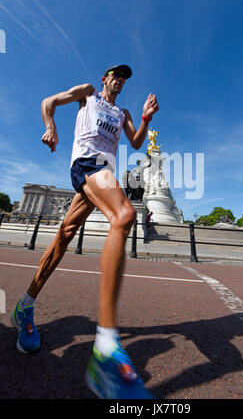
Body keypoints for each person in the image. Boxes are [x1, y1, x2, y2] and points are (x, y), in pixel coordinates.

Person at [11, 64, 159, 398]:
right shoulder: (88, 93)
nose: (119, 80)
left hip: (101, 172)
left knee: (64, 236)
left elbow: (135, 143)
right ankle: (106, 348)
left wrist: (147, 118)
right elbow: (48, 101)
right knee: (123, 216)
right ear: (105, 78)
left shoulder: (122, 111)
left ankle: (24, 305)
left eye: (124, 77)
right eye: (115, 75)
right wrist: (51, 128)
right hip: (87, 164)